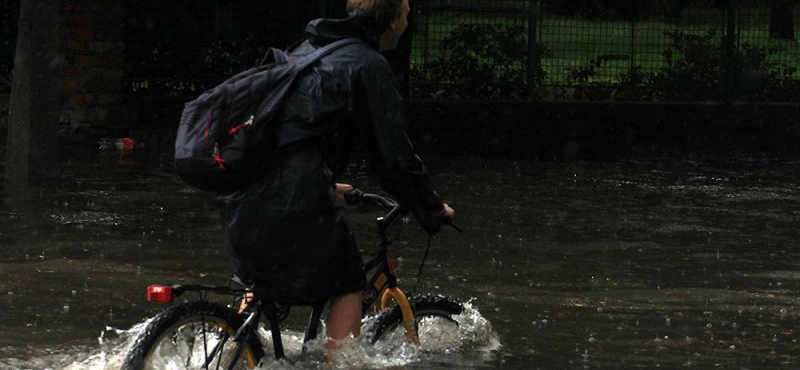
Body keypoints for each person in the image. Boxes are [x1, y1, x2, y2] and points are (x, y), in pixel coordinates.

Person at [215, 0, 454, 362]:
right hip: (289, 195)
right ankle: (341, 364)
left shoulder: (307, 50)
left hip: (241, 189)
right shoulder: (368, 66)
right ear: (391, 23)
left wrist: (323, 186)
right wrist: (431, 208)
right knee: (349, 280)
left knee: (259, 276)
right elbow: (394, 159)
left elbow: (286, 132)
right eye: (406, 14)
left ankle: (230, 344)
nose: (408, 20)